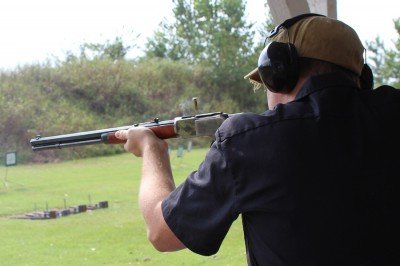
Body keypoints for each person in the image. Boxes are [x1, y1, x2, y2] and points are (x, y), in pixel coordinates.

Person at [115, 13, 400, 265]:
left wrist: (152, 149)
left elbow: (161, 232)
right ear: (362, 78)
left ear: (279, 72)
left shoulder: (247, 141)